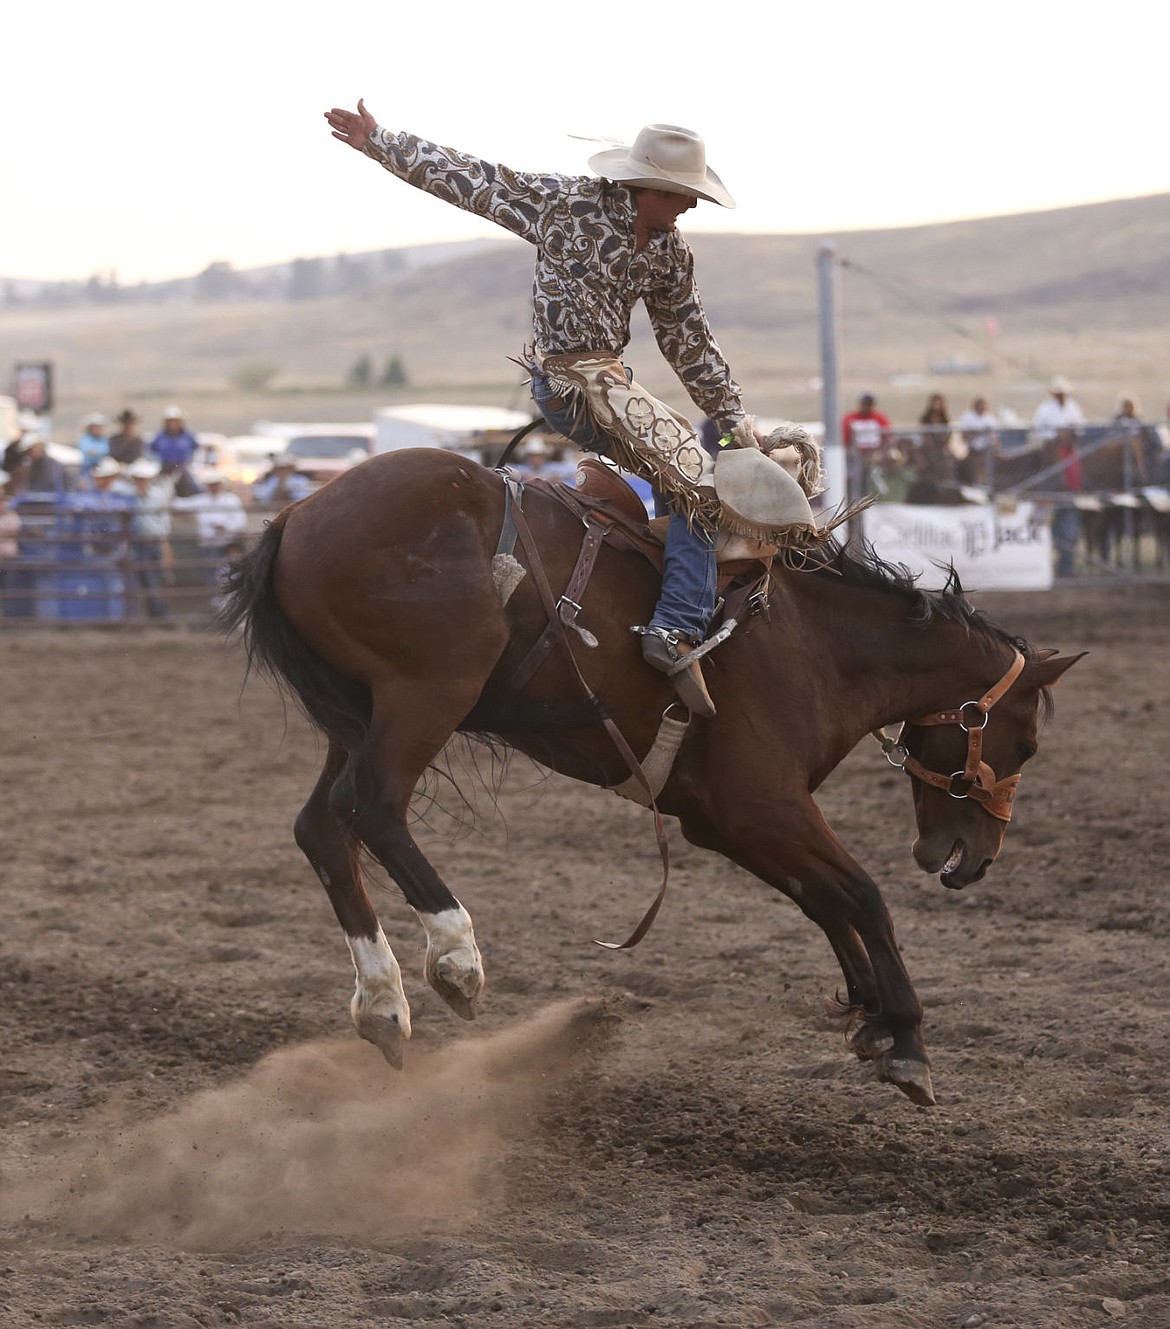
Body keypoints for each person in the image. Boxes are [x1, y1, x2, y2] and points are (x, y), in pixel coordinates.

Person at [325, 104, 776, 717]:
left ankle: (667, 591)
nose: (691, 206)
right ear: (650, 187)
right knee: (698, 483)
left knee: (692, 473)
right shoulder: (566, 205)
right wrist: (383, 142)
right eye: (682, 194)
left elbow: (687, 338)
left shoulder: (670, 253)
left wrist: (732, 418)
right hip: (568, 382)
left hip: (609, 383)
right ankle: (676, 629)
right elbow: (476, 181)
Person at [1032, 375, 1086, 577]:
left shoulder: (1073, 408)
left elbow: (1079, 429)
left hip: (1069, 458)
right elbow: (1039, 432)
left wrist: (1068, 435)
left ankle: (1067, 564)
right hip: (1051, 457)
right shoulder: (1045, 409)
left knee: (1069, 516)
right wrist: (1057, 436)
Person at [173, 469, 249, 585]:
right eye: (211, 484)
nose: (214, 487)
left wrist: (226, 526)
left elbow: (240, 520)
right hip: (208, 543)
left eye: (216, 484)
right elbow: (178, 504)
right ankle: (213, 594)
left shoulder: (231, 500)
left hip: (226, 543)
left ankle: (223, 594)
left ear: (221, 485)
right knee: (210, 570)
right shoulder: (201, 500)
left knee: (227, 570)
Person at [119, 457, 173, 619]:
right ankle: (157, 614)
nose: (141, 481)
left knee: (151, 578)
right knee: (147, 579)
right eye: (138, 478)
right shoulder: (127, 492)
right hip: (138, 541)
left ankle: (158, 613)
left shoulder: (156, 495)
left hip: (151, 540)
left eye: (143, 479)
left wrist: (165, 543)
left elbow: (163, 521)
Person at [841, 393, 891, 499]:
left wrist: (878, 453)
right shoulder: (851, 418)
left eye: (869, 405)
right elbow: (845, 440)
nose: (867, 407)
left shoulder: (879, 418)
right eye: (865, 404)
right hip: (855, 455)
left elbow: (887, 437)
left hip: (874, 454)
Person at [149, 405, 200, 489]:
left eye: (175, 421)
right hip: (165, 470)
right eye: (170, 421)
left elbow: (197, 450)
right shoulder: (160, 437)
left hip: (183, 470)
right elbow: (152, 451)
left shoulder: (188, 436)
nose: (172, 424)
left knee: (196, 488)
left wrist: (190, 463)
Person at [957, 396, 1000, 485]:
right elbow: (963, 435)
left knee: (987, 471)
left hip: (987, 450)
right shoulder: (967, 417)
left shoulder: (990, 418)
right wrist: (976, 432)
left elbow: (995, 437)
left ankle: (987, 487)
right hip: (973, 450)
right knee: (974, 471)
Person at [76, 413, 110, 484]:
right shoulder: (85, 439)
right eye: (96, 427)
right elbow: (87, 450)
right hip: (87, 468)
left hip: (103, 468)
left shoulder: (104, 439)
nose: (99, 429)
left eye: (100, 427)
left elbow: (105, 451)